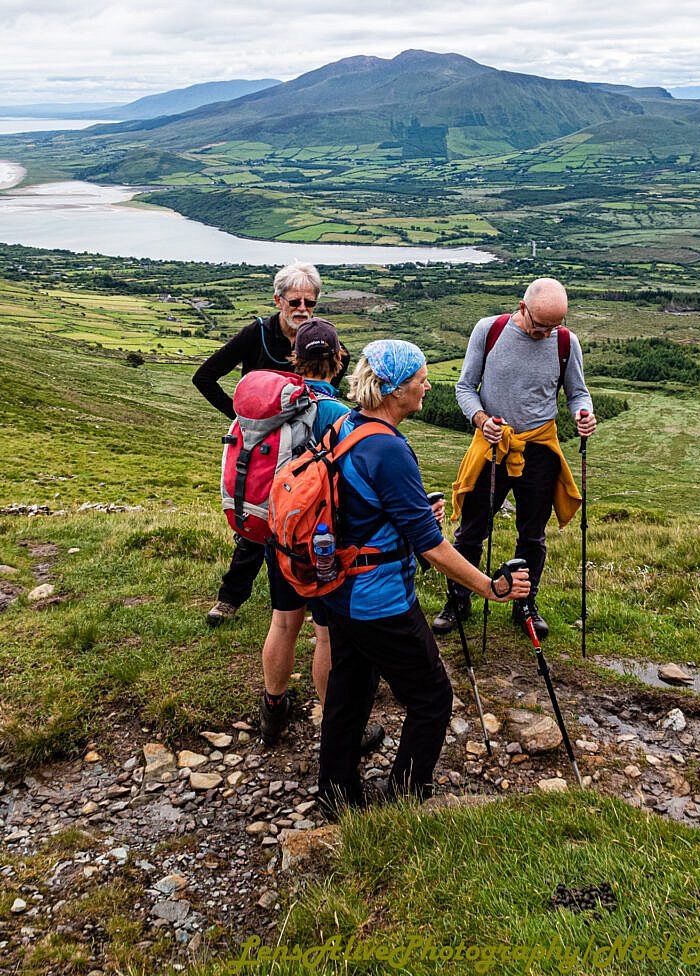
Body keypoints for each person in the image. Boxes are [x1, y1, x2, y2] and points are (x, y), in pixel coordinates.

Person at [316, 340, 530, 814]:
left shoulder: (346, 425)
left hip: (338, 588)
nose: (427, 385)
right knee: (431, 698)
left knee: (348, 694)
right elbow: (432, 548)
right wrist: (489, 589)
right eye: (420, 378)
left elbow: (356, 505)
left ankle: (335, 796)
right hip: (380, 599)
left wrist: (412, 513)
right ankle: (404, 801)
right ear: (395, 390)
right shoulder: (388, 449)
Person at [432, 277, 596, 640]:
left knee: (532, 535)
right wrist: (481, 420)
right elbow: (465, 388)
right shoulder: (489, 330)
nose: (547, 333)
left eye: (556, 325)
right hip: (491, 444)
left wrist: (584, 413)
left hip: (539, 448)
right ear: (522, 308)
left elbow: (577, 393)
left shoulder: (566, 342)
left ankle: (525, 604)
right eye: (541, 325)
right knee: (472, 530)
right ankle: (458, 600)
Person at [192, 262, 348, 626]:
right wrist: (242, 420)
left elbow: (332, 380)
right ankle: (230, 598)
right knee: (257, 523)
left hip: (307, 450)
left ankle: (300, 595)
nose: (302, 310)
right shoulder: (257, 334)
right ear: (278, 300)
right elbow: (205, 377)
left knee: (305, 521)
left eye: (310, 302)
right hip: (263, 449)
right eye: (294, 301)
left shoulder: (320, 339)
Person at [257, 318, 384, 756]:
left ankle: (273, 711)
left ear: (295, 357)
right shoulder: (337, 414)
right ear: (338, 359)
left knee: (282, 623)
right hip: (323, 542)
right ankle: (338, 725)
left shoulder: (276, 405)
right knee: (325, 636)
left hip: (279, 530)